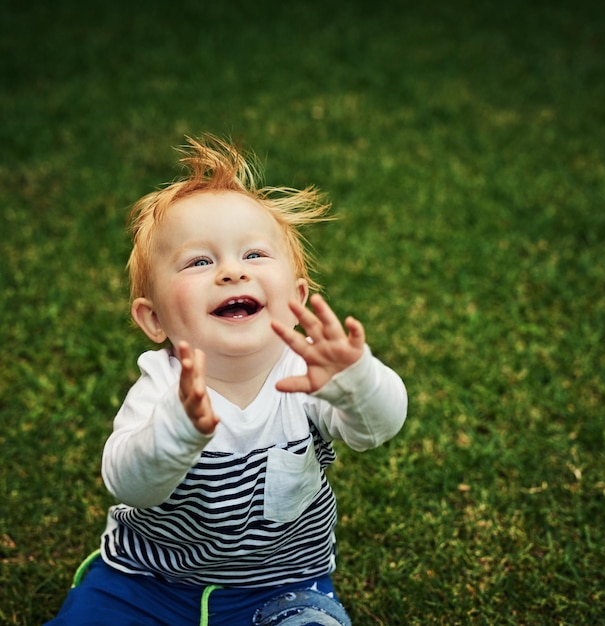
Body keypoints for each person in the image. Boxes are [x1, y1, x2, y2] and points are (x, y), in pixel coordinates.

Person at [47, 134, 407, 626]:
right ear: (153, 320)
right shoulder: (161, 387)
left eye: (255, 255)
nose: (232, 272)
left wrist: (357, 381)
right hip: (145, 584)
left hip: (282, 586)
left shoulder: (308, 375)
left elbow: (376, 430)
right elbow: (129, 484)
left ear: (298, 296)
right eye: (200, 261)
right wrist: (179, 431)